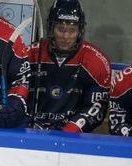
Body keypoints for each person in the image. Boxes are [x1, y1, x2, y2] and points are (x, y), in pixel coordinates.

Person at [24, 0, 110, 133]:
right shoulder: (32, 54)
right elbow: (17, 89)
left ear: (80, 31)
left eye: (72, 30)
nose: (66, 36)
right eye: (61, 29)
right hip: (32, 131)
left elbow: (96, 107)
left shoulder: (95, 61)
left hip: (72, 136)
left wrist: (71, 129)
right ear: (51, 28)